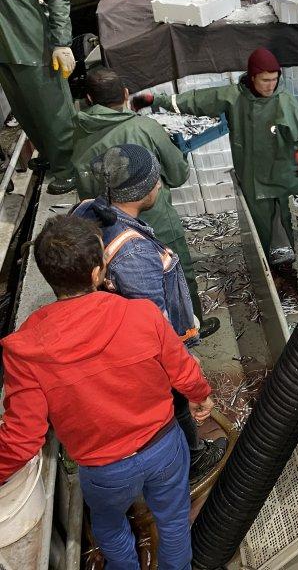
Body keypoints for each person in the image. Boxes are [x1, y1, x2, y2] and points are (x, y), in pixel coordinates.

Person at [0, 214, 215, 569]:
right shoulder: (142, 315)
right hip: (162, 447)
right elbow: (183, 370)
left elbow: (23, 436)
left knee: (110, 526)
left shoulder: (26, 347)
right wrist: (200, 395)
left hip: (103, 469)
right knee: (174, 522)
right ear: (97, 272)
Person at [72, 144, 226, 484]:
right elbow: (154, 325)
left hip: (106, 339)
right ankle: (192, 458)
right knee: (175, 402)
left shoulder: (85, 209)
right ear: (144, 190)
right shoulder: (133, 251)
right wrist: (184, 364)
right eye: (155, 181)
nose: (159, 186)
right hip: (146, 352)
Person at [72, 67, 219, 339]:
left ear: (89, 100)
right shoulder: (144, 127)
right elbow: (178, 174)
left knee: (131, 292)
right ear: (126, 94)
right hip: (157, 223)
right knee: (176, 276)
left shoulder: (78, 134)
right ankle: (190, 329)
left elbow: (86, 191)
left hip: (112, 231)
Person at [132, 48, 298, 257]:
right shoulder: (233, 96)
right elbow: (196, 100)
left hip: (286, 176)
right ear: (253, 76)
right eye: (265, 80)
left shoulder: (284, 100)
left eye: (274, 79)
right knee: (259, 234)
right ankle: (268, 271)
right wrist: (156, 100)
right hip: (253, 178)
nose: (271, 85)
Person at [0, 0, 77, 195]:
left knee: (54, 113)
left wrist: (62, 42)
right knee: (25, 112)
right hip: (4, 53)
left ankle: (68, 168)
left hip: (32, 46)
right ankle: (48, 154)